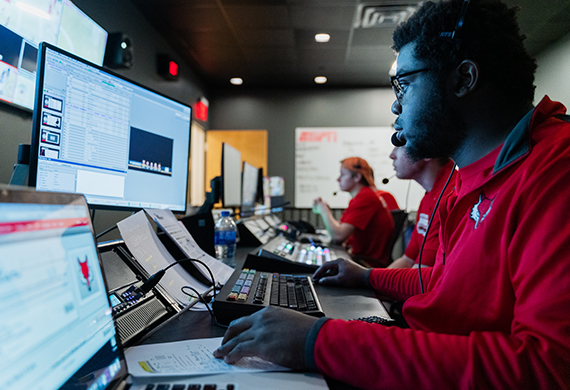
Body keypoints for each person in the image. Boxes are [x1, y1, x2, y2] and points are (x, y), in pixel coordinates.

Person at [213, 1, 570, 388]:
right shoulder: (468, 178)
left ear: (464, 79)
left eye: (406, 83)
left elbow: (547, 369)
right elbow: (445, 283)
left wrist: (317, 341)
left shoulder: (556, 171)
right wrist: (369, 278)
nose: (396, 104)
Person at [312, 157, 394, 268]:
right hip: (363, 260)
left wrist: (324, 210)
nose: (338, 179)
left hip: (366, 264)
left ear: (357, 177)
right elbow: (342, 232)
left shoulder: (365, 197)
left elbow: (338, 236)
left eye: (342, 174)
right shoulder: (364, 196)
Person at [387, 146, 456, 268]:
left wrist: (367, 277)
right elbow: (407, 260)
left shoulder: (449, 196)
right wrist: (368, 278)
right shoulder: (430, 196)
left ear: (427, 149)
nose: (392, 155)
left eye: (401, 145)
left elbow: (421, 275)